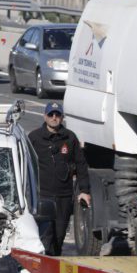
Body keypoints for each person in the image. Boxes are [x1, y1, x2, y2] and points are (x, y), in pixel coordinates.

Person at [29, 101, 91, 256]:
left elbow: (81, 165)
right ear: (45, 116)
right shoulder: (35, 137)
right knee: (45, 236)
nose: (54, 118)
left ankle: (54, 264)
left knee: (59, 235)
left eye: (57, 115)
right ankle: (43, 269)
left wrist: (84, 190)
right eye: (51, 114)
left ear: (62, 117)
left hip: (64, 196)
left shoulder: (70, 138)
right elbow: (25, 163)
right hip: (42, 196)